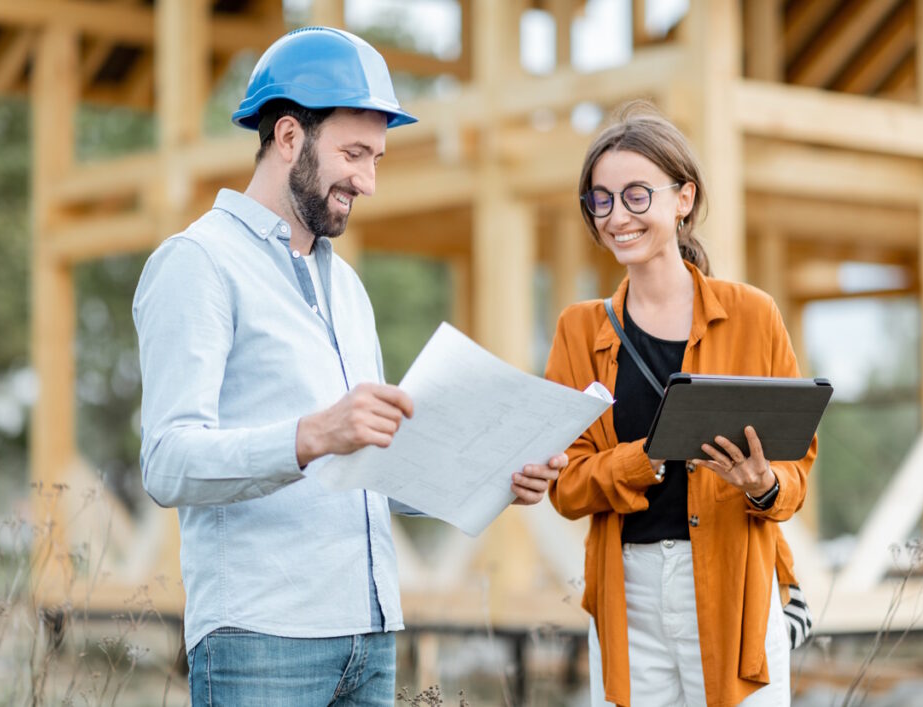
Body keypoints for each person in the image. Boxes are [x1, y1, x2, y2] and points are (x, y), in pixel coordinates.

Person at [132, 26, 564, 706]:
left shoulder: (348, 289)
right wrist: (311, 434)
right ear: (287, 137)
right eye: (354, 153)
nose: (368, 179)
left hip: (371, 632)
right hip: (260, 638)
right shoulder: (199, 263)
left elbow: (367, 472)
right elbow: (165, 461)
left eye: (377, 157)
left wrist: (495, 475)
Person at [544, 102, 815, 706]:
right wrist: (645, 459)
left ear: (683, 199)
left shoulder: (754, 315)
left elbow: (798, 472)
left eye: (637, 196)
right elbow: (566, 487)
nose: (617, 217)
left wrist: (763, 482)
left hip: (737, 584)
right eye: (602, 200)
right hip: (627, 594)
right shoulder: (578, 330)